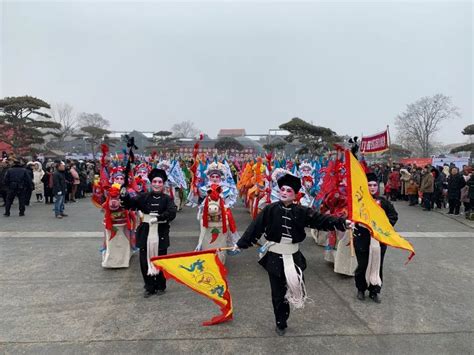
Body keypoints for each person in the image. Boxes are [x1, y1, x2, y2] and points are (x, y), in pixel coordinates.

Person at [235, 173, 350, 336]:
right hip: (274, 257)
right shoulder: (270, 209)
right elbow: (255, 228)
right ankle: (280, 322)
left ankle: (286, 313)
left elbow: (322, 220)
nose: (284, 192)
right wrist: (240, 244)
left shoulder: (302, 211)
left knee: (294, 288)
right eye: (282, 189)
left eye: (289, 190)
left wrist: (342, 223)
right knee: (277, 293)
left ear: (295, 194)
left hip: (294, 256)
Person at [120, 168, 177, 298]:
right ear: (151, 183)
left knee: (161, 260)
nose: (157, 184)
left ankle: (161, 285)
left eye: (160, 182)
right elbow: (130, 204)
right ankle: (149, 286)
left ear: (163, 184)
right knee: (144, 261)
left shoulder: (167, 199)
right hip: (145, 232)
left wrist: (159, 218)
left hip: (160, 233)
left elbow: (172, 213)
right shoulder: (143, 197)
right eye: (154, 181)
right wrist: (124, 195)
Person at [354, 172, 398, 304]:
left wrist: (382, 226)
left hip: (378, 240)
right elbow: (351, 217)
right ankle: (361, 289)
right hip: (362, 238)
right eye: (369, 185)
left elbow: (393, 216)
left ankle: (375, 291)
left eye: (374, 185)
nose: (372, 188)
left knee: (377, 265)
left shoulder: (383, 202)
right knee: (362, 265)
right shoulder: (358, 201)